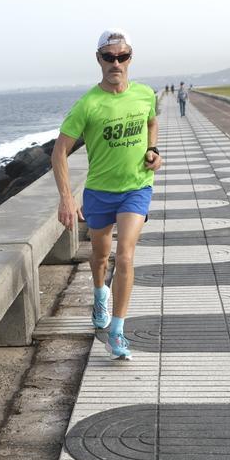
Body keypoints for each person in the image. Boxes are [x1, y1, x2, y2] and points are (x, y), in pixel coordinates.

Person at [51, 29, 162, 360]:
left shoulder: (144, 94)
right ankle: (99, 292)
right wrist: (67, 198)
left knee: (125, 255)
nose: (116, 63)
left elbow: (152, 123)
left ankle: (116, 331)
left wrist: (153, 150)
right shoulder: (87, 105)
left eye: (122, 56)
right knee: (100, 256)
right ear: (99, 59)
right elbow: (59, 152)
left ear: (130, 58)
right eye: (109, 57)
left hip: (137, 188)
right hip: (100, 192)